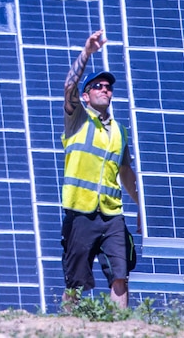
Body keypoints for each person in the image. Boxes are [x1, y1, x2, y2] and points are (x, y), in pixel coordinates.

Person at [60, 30, 140, 310]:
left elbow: (126, 171)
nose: (105, 90)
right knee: (76, 279)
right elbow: (68, 88)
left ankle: (120, 327)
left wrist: (141, 206)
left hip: (111, 213)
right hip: (80, 212)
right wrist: (86, 53)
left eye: (109, 87)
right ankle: (67, 326)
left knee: (120, 273)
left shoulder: (120, 131)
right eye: (99, 86)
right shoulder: (77, 119)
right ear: (86, 95)